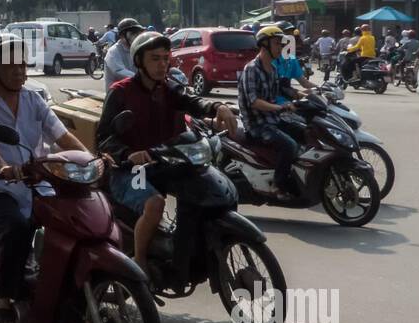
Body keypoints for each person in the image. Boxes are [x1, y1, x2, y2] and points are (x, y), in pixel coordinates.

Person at [0, 33, 88, 323]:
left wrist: (90, 159)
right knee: (18, 227)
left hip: (35, 183)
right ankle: (4, 298)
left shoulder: (34, 99)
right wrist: (4, 167)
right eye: (10, 66)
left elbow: (62, 135)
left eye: (22, 64)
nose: (19, 71)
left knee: (71, 219)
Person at [97, 31, 237, 272]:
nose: (162, 64)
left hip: (164, 163)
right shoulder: (120, 92)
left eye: (165, 58)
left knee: (204, 187)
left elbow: (192, 100)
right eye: (154, 58)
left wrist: (217, 106)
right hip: (133, 169)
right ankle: (139, 263)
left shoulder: (169, 88)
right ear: (139, 61)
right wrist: (128, 154)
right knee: (154, 203)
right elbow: (103, 138)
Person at [238, 25, 303, 198]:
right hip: (257, 125)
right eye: (276, 44)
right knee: (289, 145)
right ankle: (278, 185)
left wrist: (301, 95)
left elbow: (282, 90)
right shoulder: (251, 69)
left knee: (305, 132)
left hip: (273, 120)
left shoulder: (273, 69)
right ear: (264, 45)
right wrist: (280, 107)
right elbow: (254, 102)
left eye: (281, 44)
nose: (280, 48)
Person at [103, 17, 144, 90]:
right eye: (132, 34)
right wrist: (142, 79)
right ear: (122, 36)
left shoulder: (137, 50)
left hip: (135, 91)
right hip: (117, 96)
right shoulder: (114, 51)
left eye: (138, 33)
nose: (136, 37)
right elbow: (119, 71)